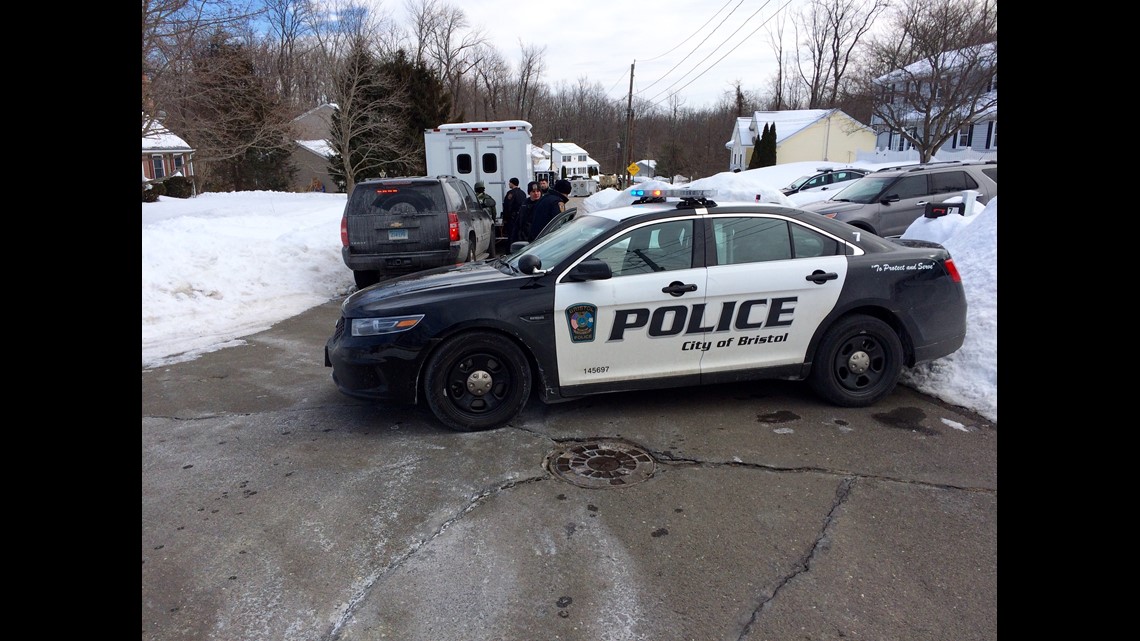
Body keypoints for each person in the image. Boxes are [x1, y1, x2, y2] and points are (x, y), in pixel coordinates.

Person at [501, 177, 526, 250]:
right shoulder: (522, 193)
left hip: (512, 218)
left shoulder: (511, 193)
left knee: (511, 235)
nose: (509, 184)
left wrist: (505, 218)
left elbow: (507, 206)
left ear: (512, 183)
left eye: (509, 182)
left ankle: (509, 250)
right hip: (521, 217)